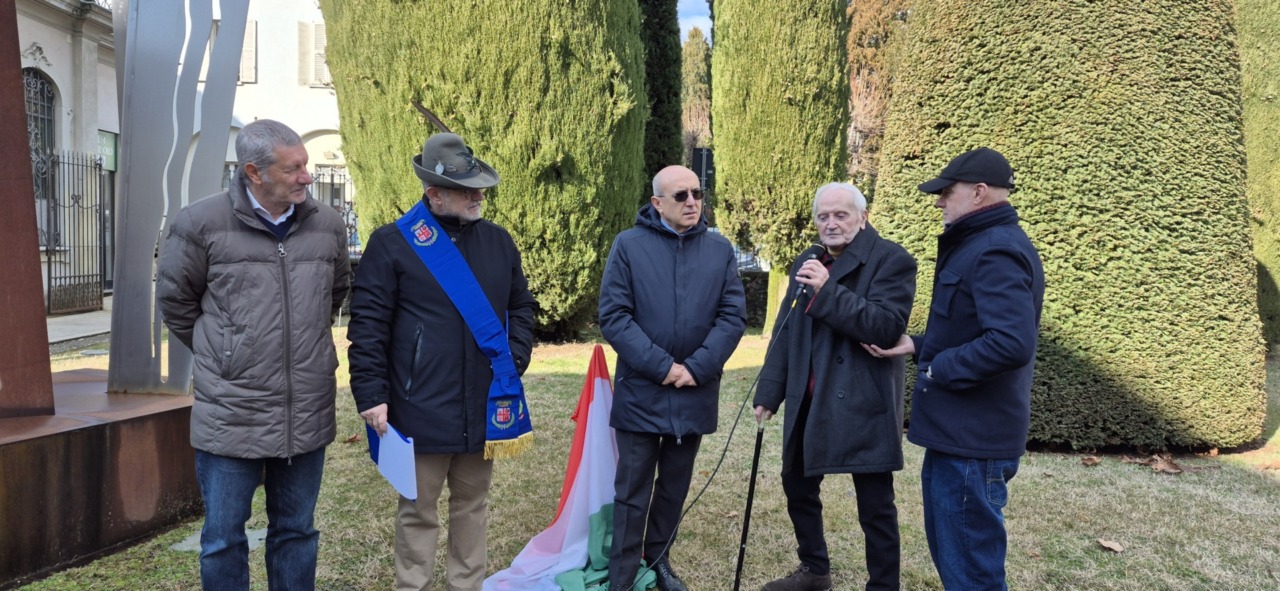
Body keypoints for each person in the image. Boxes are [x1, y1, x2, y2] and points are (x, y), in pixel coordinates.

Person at [156, 119, 351, 590]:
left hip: (305, 407)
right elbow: (177, 303)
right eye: (293, 168)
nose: (306, 176)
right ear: (253, 172)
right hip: (232, 409)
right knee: (223, 538)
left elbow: (336, 292)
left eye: (306, 165)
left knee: (297, 531)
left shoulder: (327, 224)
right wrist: (226, 352)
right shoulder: (199, 223)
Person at [347, 132, 536, 591]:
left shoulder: (498, 242)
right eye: (466, 190)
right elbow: (368, 326)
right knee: (418, 511)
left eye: (480, 188)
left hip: (484, 402)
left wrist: (514, 357)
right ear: (434, 193)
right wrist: (371, 394)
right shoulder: (392, 243)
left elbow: (521, 306)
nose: (478, 197)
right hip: (419, 406)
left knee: (473, 506)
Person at [866, 147, 1044, 590]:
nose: (939, 202)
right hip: (961, 437)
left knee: (970, 574)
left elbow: (1010, 342)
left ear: (979, 192)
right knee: (960, 562)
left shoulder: (994, 250)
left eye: (947, 192)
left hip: (972, 442)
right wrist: (918, 345)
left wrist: (939, 367)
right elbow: (971, 326)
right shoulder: (982, 244)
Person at [752, 183, 917, 591]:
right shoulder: (808, 259)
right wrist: (770, 390)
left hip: (863, 398)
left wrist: (828, 290)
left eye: (841, 215)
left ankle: (884, 586)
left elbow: (885, 327)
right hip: (809, 395)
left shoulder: (892, 259)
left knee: (875, 504)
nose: (831, 223)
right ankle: (814, 570)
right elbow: (786, 330)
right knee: (796, 484)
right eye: (823, 216)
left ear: (862, 217)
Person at [599, 165, 747, 591]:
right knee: (632, 489)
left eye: (697, 193)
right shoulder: (629, 245)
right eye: (680, 195)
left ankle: (659, 559)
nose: (692, 202)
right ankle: (622, 575)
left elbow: (732, 316)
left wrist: (696, 368)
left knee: (674, 486)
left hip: (694, 390)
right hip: (642, 389)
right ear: (657, 203)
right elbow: (614, 316)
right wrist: (663, 367)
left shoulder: (719, 249)